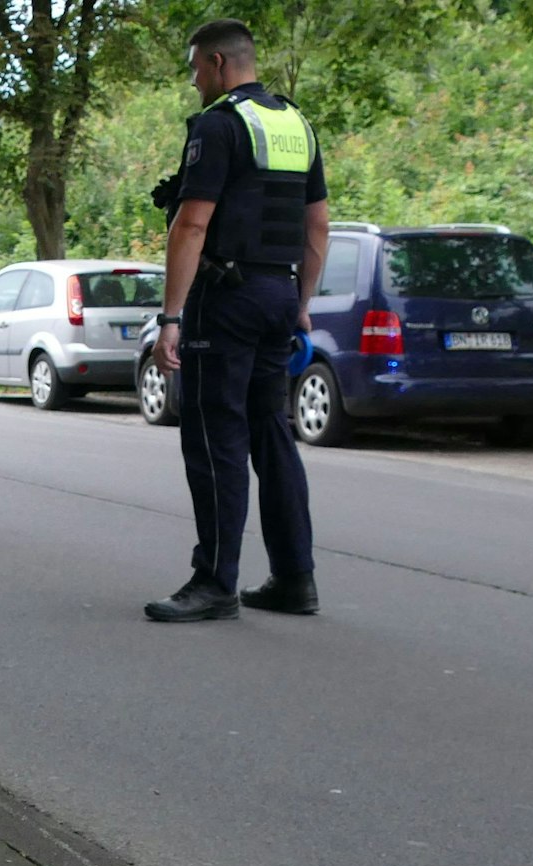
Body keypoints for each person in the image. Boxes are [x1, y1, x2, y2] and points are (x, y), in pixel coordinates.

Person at [146, 18, 325, 623]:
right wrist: (301, 301)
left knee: (214, 436)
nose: (195, 79)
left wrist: (171, 316)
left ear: (220, 63)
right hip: (279, 294)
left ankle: (215, 583)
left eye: (196, 66)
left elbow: (191, 225)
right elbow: (316, 225)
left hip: (225, 300)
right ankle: (295, 579)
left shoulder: (219, 126)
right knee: (271, 434)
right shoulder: (295, 124)